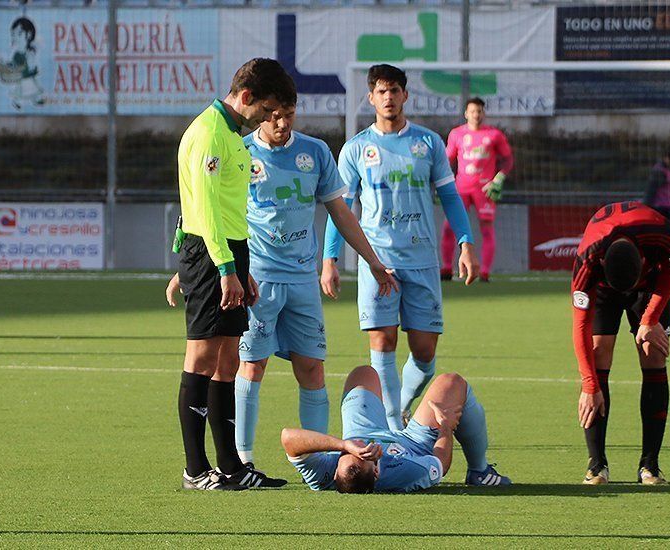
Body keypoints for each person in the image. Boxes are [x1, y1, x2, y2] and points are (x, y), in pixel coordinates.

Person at [167, 93, 399, 473]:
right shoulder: (237, 149)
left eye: (288, 115)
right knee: (249, 365)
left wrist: (372, 262)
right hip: (254, 277)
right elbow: (209, 210)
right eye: (273, 115)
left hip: (302, 280)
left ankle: (318, 458)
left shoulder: (316, 152)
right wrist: (189, 270)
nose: (281, 123)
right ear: (259, 112)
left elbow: (339, 212)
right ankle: (241, 458)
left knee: (312, 368)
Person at [321, 64, 479, 431]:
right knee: (384, 339)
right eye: (381, 91)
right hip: (377, 261)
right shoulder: (357, 148)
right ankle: (393, 426)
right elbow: (339, 208)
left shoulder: (427, 143)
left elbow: (451, 197)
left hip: (422, 259)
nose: (388, 97)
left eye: (394, 90)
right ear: (370, 97)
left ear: (405, 95)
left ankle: (402, 405)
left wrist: (466, 243)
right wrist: (329, 258)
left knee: (425, 354)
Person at [174, 58, 297, 491]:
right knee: (202, 359)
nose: (267, 120)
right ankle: (195, 469)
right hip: (212, 255)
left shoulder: (230, 134)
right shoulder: (209, 133)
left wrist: (241, 268)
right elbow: (203, 210)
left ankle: (231, 466)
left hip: (230, 252)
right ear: (246, 98)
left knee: (229, 360)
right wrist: (223, 269)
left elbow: (219, 205)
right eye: (265, 110)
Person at [570, 201, 670, 486]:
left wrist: (649, 319)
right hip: (604, 290)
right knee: (599, 353)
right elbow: (581, 325)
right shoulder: (587, 260)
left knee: (653, 354)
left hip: (649, 288)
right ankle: (597, 465)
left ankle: (650, 465)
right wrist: (589, 385)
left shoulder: (659, 232)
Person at [281, 365, 511, 492]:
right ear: (378, 472)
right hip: (412, 444)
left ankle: (395, 415)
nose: (359, 450)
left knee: (363, 373)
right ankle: (480, 471)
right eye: (367, 455)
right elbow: (441, 463)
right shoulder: (407, 473)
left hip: (362, 430)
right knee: (452, 382)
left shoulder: (323, 475)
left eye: (348, 455)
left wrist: (344, 445)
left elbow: (288, 437)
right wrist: (445, 428)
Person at [440, 97, 514, 282]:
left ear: (484, 113)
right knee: (449, 227)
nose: (476, 115)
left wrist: (498, 179)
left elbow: (508, 160)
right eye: (472, 111)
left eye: (479, 111)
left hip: (484, 190)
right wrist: (442, 183)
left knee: (487, 229)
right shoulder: (456, 134)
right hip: (461, 188)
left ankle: (485, 272)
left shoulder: (494, 134)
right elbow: (447, 160)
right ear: (466, 113)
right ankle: (447, 269)